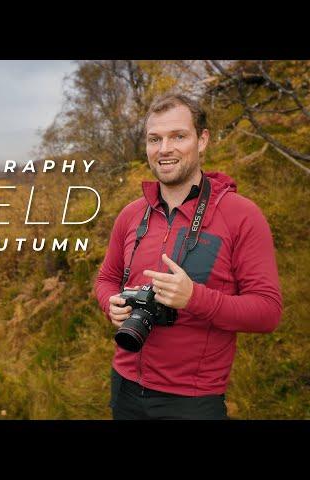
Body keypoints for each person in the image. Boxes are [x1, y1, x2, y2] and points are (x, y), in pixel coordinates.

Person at [93, 93, 283, 420]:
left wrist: (194, 298)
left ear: (202, 140)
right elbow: (107, 278)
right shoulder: (131, 214)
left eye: (178, 136)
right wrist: (111, 302)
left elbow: (268, 311)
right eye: (155, 139)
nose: (164, 149)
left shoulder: (241, 215)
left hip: (191, 401)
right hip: (123, 385)